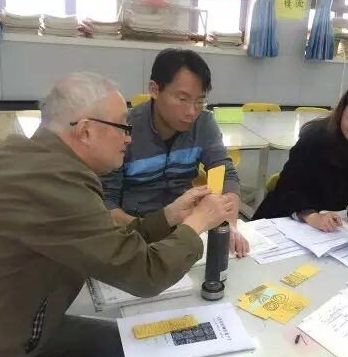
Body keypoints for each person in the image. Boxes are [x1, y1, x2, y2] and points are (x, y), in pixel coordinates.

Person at [0, 73, 236, 357]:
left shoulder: (38, 161)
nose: (129, 137)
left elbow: (105, 239)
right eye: (122, 126)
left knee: (124, 340)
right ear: (86, 130)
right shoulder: (52, 184)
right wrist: (197, 224)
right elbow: (145, 274)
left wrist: (169, 216)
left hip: (20, 323)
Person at [101, 48, 248, 256]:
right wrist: (145, 230)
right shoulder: (125, 128)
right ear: (154, 89)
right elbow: (107, 201)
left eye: (199, 101)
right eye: (182, 99)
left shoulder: (204, 123)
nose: (191, 112)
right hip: (135, 232)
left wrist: (229, 225)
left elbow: (226, 173)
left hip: (188, 228)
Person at [252, 79, 348, 231]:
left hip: (336, 229)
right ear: (343, 108)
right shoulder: (315, 136)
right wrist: (311, 216)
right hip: (285, 220)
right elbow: (288, 189)